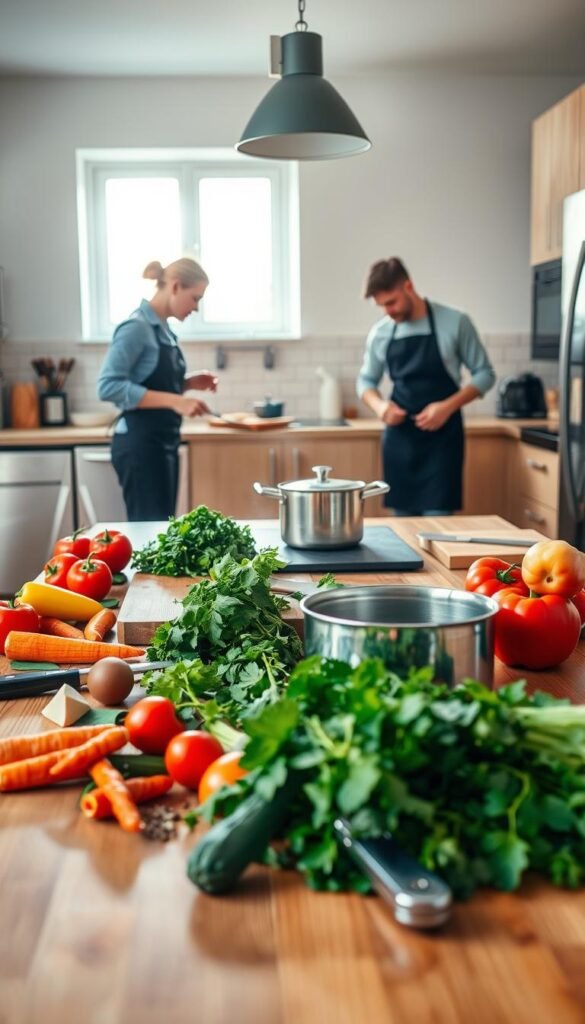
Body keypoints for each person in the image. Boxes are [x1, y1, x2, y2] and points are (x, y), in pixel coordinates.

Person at [356, 257, 495, 516]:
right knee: (402, 533)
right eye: (381, 306)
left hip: (442, 444)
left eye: (391, 302)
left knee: (437, 525)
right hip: (400, 442)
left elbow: (484, 374)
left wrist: (447, 406)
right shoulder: (381, 333)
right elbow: (365, 381)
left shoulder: (455, 322)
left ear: (408, 286)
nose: (388, 311)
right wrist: (380, 406)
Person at [97, 257, 218, 521]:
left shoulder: (163, 330)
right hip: (139, 445)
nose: (196, 308)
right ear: (175, 286)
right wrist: (176, 401)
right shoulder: (136, 328)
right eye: (195, 298)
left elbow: (150, 384)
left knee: (160, 530)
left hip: (162, 443)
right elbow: (108, 386)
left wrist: (187, 384)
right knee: (147, 534)